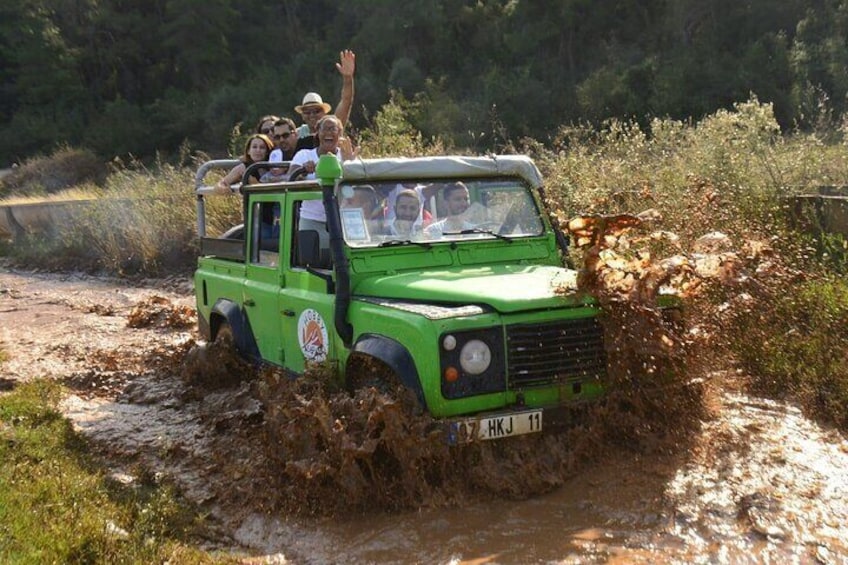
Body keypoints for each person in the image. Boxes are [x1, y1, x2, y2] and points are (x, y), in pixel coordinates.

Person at [288, 115, 353, 247]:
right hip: (312, 218)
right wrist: (304, 170)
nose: (328, 133)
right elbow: (291, 177)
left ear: (340, 134)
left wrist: (349, 163)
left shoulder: (346, 155)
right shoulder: (304, 154)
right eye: (324, 129)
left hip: (342, 220)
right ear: (318, 133)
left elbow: (355, 188)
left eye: (333, 129)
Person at [294, 50, 356, 150]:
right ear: (302, 116)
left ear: (324, 113)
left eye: (316, 111)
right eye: (307, 112)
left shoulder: (333, 125)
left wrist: (348, 78)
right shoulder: (297, 134)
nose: (312, 115)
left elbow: (346, 101)